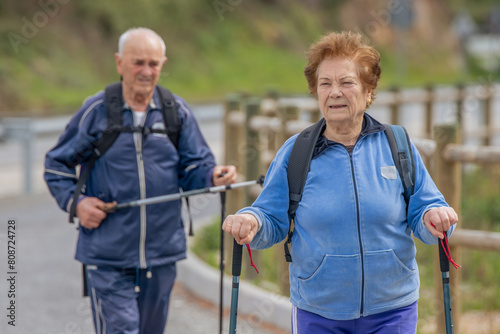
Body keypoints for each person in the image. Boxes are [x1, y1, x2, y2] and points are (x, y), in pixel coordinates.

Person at [222, 31, 458, 333]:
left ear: (368, 91)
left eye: (347, 82)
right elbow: (270, 217)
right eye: (325, 83)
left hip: (392, 310)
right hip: (318, 312)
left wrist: (435, 217)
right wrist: (251, 220)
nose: (335, 92)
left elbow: (427, 209)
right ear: (315, 91)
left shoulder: (397, 145)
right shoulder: (297, 152)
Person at [44, 27, 237, 334]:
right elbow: (56, 164)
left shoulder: (176, 112)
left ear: (163, 64)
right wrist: (76, 203)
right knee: (121, 329)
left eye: (153, 63)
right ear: (120, 63)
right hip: (107, 253)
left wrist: (211, 175)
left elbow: (196, 166)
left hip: (162, 252)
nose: (146, 71)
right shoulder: (96, 111)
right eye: (138, 62)